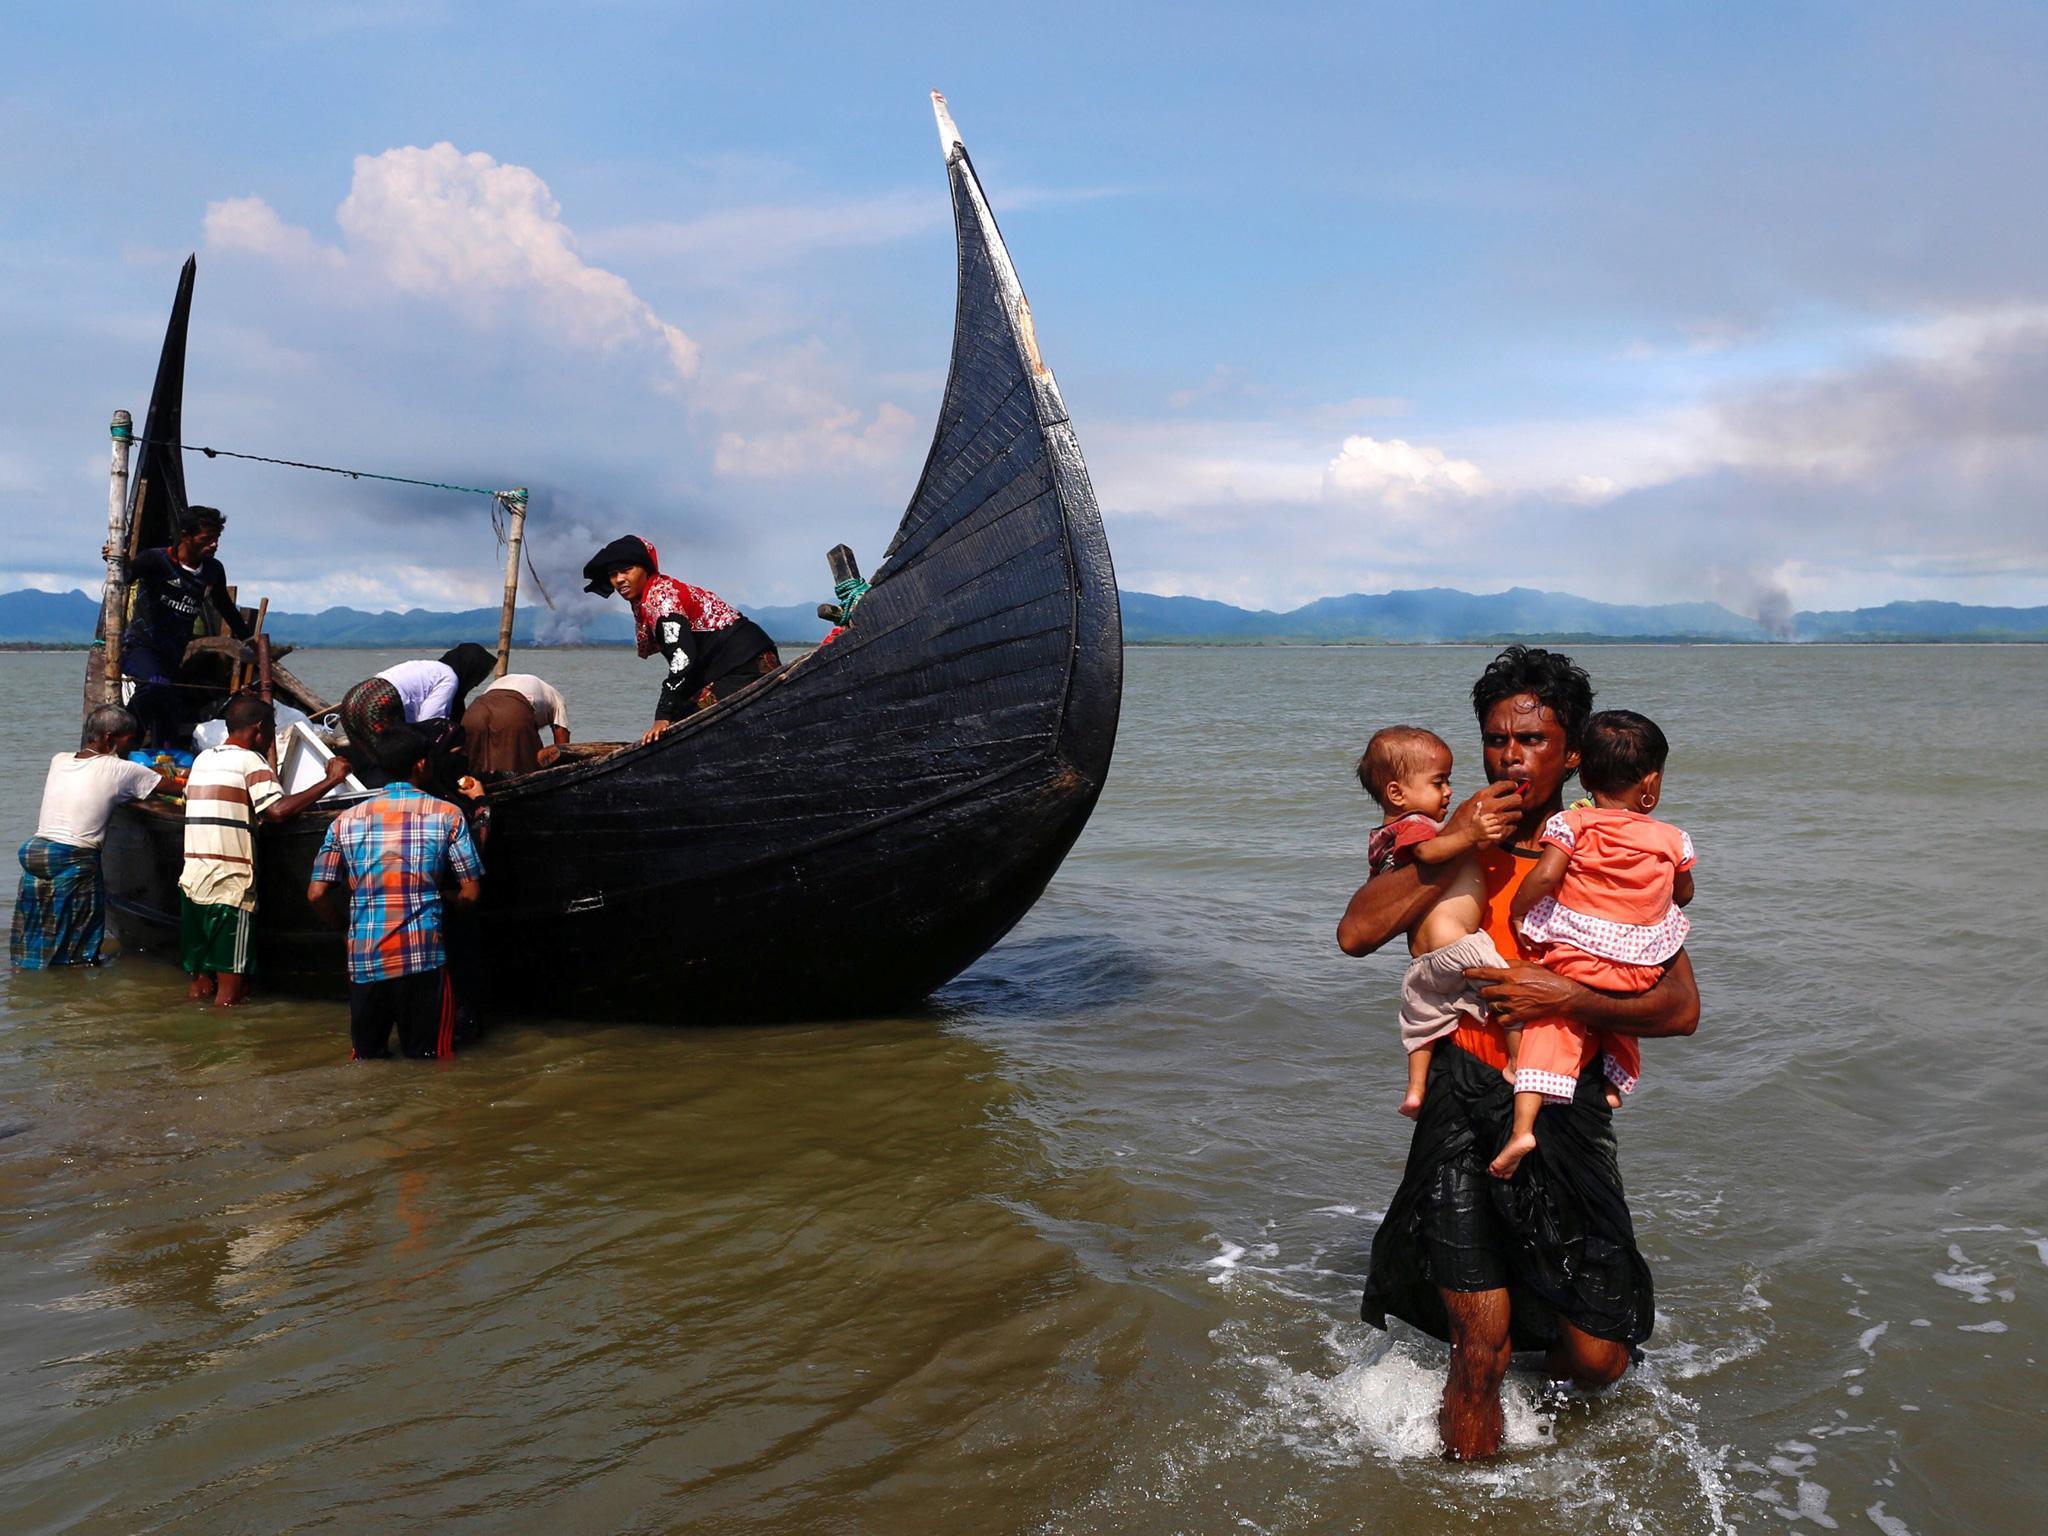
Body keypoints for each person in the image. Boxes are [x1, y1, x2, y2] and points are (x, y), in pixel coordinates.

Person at [1336, 645, 1700, 1461]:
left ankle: (1545, 1395)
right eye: (1498, 739)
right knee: (1480, 1345)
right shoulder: (1446, 835)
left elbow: (1679, 1009)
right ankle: (1469, 1502)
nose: (1512, 755)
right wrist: (1461, 837)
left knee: (1601, 1358)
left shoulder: (1612, 851)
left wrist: (1564, 997)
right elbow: (1357, 933)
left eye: (1533, 741)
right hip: (1462, 1101)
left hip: (1558, 1104)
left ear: (1573, 755)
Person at [1488, 710, 1697, 1177]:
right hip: (1638, 960)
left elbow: (1545, 875)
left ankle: (1523, 1127)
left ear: (1581, 773)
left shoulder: (1572, 825)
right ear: (1651, 783)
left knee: (1551, 1023)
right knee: (1620, 1002)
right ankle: (1613, 1084)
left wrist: (1520, 910)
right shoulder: (1671, 838)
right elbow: (1684, 893)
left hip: (1578, 954)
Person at [1356, 726, 1517, 1118]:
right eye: (1439, 782)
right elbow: (1429, 852)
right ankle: (1517, 1061)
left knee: (1422, 1024)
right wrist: (1470, 834)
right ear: (1397, 794)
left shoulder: (1386, 839)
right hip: (1459, 946)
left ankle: (1415, 1090)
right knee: (1509, 997)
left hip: (1423, 961)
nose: (1448, 792)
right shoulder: (1416, 826)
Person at [306, 724, 483, 1060]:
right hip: (422, 957)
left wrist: (343, 928)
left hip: (364, 958)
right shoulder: (447, 815)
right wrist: (448, 905)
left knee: (367, 1059)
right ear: (421, 764)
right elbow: (471, 893)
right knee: (429, 1060)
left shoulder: (344, 820)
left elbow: (316, 894)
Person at [180, 692, 352, 1007]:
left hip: (192, 881)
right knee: (229, 994)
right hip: (229, 887)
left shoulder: (203, 759)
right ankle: (230, 1052)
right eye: (272, 730)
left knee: (201, 985)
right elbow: (276, 811)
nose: (272, 738)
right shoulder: (250, 761)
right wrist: (331, 780)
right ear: (259, 729)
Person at [11, 705, 171, 968]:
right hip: (73, 856)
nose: (130, 748)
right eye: (128, 741)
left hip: (35, 851)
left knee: (35, 929)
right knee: (80, 938)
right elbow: (173, 787)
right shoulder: (122, 769)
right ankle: (78, 988)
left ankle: (26, 979)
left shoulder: (59, 759)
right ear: (109, 739)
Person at [580, 536, 779, 745]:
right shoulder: (655, 594)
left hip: (747, 665)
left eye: (626, 570)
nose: (619, 580)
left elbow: (682, 659)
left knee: (681, 729)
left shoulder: (661, 600)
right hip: (739, 664)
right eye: (613, 574)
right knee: (680, 717)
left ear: (645, 569)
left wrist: (662, 715)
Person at [115, 506, 254, 747]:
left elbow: (225, 606)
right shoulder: (156, 560)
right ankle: (124, 744)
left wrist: (250, 639)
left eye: (216, 539)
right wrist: (117, 558)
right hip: (141, 647)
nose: (213, 545)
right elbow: (126, 574)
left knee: (171, 706)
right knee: (154, 686)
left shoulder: (213, 569)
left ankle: (165, 757)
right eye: (207, 539)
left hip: (174, 653)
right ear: (186, 536)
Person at [336, 643, 496, 764]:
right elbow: (431, 723)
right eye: (478, 677)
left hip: (352, 700)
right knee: (391, 757)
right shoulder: (449, 677)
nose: (475, 684)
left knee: (369, 755)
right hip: (376, 706)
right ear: (470, 670)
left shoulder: (430, 667)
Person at [461, 670, 571, 778]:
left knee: (473, 766)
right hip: (512, 710)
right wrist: (563, 771)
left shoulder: (506, 682)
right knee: (525, 767)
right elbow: (562, 743)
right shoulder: (558, 699)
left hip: (475, 710)